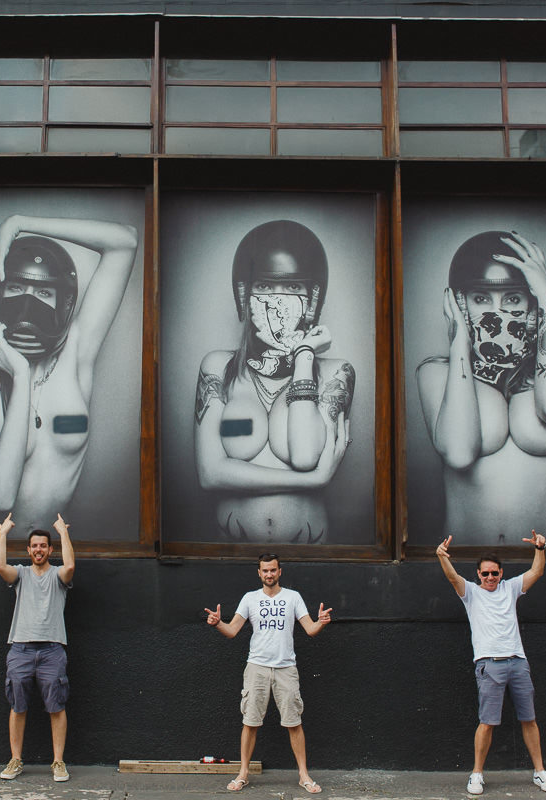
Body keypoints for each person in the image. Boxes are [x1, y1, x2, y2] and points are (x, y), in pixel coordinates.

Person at [0, 215, 138, 533]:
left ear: (61, 302)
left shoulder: (75, 353)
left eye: (43, 293)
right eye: (15, 288)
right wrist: (20, 375)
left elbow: (125, 242)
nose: (28, 303)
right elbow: (0, 495)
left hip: (48, 548)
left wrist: (16, 223)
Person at [416, 231, 546, 545]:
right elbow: (459, 452)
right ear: (460, 303)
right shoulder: (435, 373)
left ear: (531, 305)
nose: (497, 312)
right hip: (466, 563)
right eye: (481, 299)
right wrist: (459, 342)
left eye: (513, 299)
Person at [194, 220, 353, 544]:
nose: (277, 303)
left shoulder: (336, 373)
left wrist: (305, 356)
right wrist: (314, 481)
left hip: (309, 551)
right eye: (265, 287)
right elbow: (210, 474)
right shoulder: (218, 368)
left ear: (312, 300)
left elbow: (305, 456)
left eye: (293, 288)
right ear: (244, 294)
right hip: (231, 553)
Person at [435, 531, 546, 795]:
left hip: (518, 662)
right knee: (487, 722)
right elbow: (452, 577)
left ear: (501, 573)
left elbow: (537, 572)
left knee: (529, 719)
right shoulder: (470, 593)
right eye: (485, 573)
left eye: (494, 573)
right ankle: (476, 774)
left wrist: (541, 548)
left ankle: (540, 771)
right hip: (489, 664)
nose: (490, 577)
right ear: (478, 574)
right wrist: (442, 556)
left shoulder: (510, 588)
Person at [204, 553, 332, 794]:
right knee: (250, 722)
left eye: (273, 570)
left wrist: (321, 622)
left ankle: (304, 775)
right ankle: (243, 773)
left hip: (286, 668)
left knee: (294, 722)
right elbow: (232, 630)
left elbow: (310, 629)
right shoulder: (250, 598)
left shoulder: (293, 597)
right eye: (265, 570)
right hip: (257, 667)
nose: (269, 574)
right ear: (259, 573)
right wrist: (218, 623)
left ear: (279, 571)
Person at [0, 511, 76, 783]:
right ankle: (16, 760)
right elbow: (0, 567)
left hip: (53, 649)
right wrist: (3, 533)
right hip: (21, 649)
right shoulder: (21, 574)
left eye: (43, 546)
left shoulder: (58, 575)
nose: (39, 549)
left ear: (50, 550)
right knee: (17, 705)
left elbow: (70, 567)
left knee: (56, 706)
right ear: (28, 550)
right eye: (34, 546)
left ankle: (58, 762)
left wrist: (63, 532)